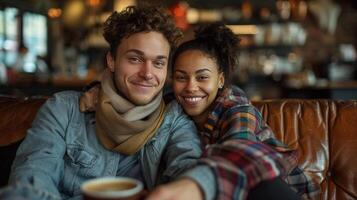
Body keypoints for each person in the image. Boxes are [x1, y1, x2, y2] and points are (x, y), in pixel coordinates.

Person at [81, 23, 319, 200]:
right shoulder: (171, 104)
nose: (191, 87)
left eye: (202, 77)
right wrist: (100, 91)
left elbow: (241, 146)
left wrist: (196, 185)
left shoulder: (235, 107)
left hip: (272, 188)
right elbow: (132, 98)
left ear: (220, 80)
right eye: (181, 78)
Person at [0, 6, 202, 200]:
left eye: (158, 63)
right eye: (135, 59)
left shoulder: (174, 121)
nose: (148, 73)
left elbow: (189, 172)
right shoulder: (64, 109)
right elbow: (29, 184)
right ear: (112, 61)